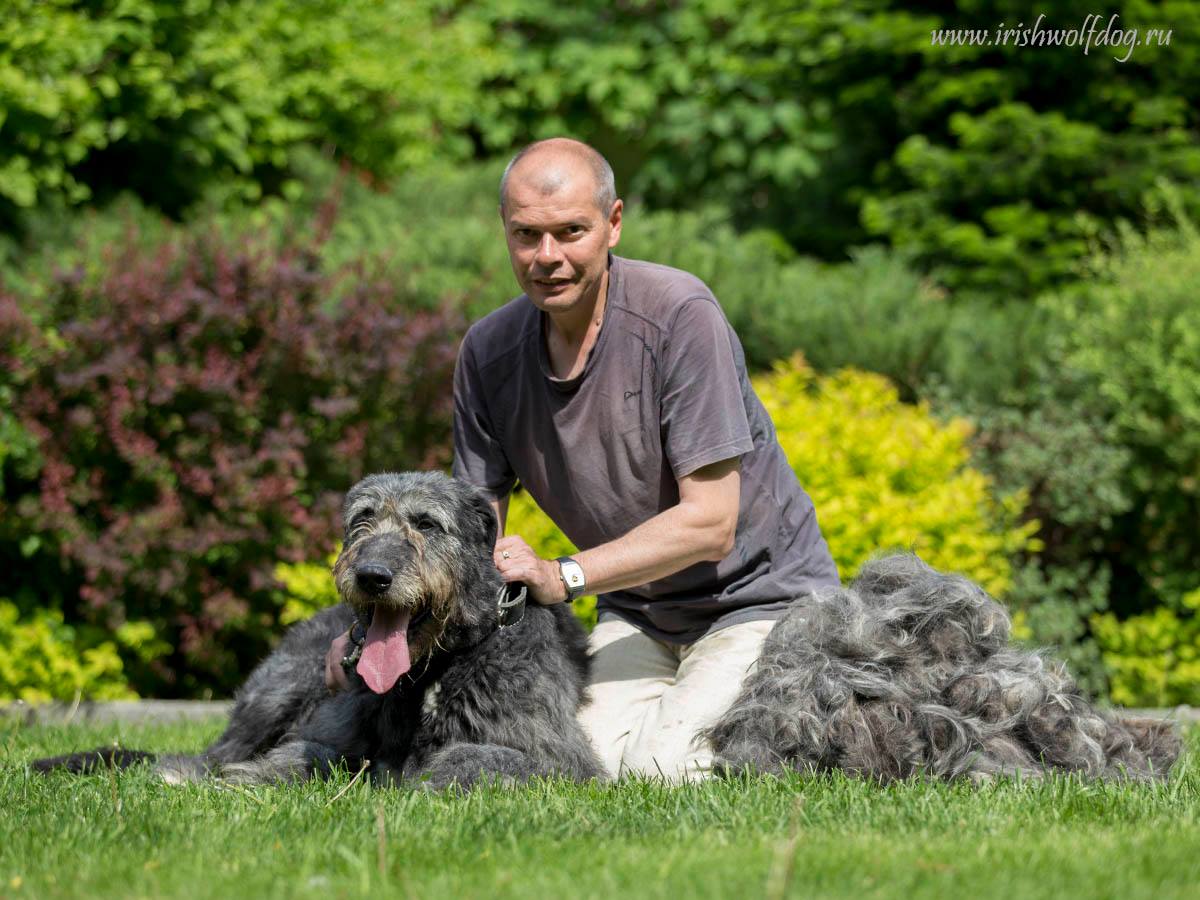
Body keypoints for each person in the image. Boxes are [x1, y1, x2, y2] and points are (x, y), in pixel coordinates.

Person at [450, 138, 840, 782]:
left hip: (763, 603)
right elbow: (470, 536)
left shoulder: (679, 316)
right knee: (570, 765)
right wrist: (374, 640)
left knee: (664, 770)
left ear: (613, 223)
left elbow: (710, 523)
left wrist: (563, 575)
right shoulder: (488, 353)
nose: (548, 257)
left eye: (570, 231)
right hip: (636, 614)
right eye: (527, 236)